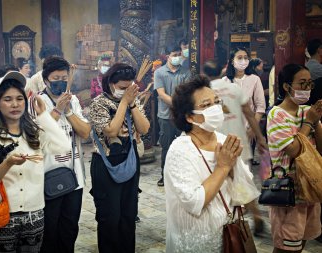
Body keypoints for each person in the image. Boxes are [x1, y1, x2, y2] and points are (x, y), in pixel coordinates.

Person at [0, 71, 72, 252]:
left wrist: (43, 116)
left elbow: (64, 147)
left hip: (34, 214)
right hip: (0, 214)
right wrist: (7, 164)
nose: (15, 104)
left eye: (19, 98)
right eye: (8, 99)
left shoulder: (33, 131)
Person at [165, 75, 255, 252]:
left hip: (227, 235)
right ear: (190, 117)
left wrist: (233, 171)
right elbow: (194, 201)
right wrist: (223, 167)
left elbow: (246, 187)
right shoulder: (180, 150)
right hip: (194, 242)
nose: (215, 109)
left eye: (216, 102)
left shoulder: (223, 140)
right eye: (206, 105)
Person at [31, 56, 90, 253]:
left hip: (74, 177)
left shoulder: (72, 99)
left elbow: (85, 132)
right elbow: (37, 138)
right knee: (50, 231)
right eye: (56, 78)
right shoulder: (37, 101)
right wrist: (57, 110)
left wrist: (69, 112)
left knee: (70, 228)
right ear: (46, 79)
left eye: (64, 77)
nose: (61, 82)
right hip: (48, 175)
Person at [89, 63, 150, 253]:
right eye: (122, 88)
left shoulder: (133, 100)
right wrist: (124, 102)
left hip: (129, 160)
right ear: (110, 84)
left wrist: (131, 103)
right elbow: (111, 131)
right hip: (105, 163)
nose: (126, 91)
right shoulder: (98, 103)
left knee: (128, 214)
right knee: (109, 216)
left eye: (129, 87)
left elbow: (144, 128)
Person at [203, 59, 267, 235]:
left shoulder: (205, 93)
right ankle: (255, 215)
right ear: (222, 70)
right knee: (243, 179)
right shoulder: (235, 89)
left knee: (222, 183)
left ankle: (228, 220)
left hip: (218, 145)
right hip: (240, 142)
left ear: (205, 75)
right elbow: (250, 114)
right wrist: (260, 137)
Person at [267, 64, 322, 253]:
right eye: (302, 84)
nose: (306, 89)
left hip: (310, 190)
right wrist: (309, 123)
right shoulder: (276, 114)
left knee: (302, 242)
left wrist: (317, 122)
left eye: (309, 84)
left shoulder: (308, 111)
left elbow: (319, 151)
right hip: (288, 193)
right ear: (286, 86)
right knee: (286, 247)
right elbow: (293, 150)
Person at [154, 44, 191, 186]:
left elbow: (187, 92)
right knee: (166, 147)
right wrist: (177, 105)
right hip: (165, 116)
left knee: (184, 147)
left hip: (182, 116)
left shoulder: (186, 72)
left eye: (178, 54)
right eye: (173, 55)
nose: (176, 57)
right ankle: (165, 175)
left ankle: (183, 176)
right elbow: (161, 94)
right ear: (167, 56)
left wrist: (180, 107)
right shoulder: (160, 72)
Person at [224, 47, 266, 166]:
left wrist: (253, 128)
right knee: (230, 166)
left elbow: (260, 106)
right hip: (229, 132)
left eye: (246, 58)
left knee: (246, 167)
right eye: (240, 58)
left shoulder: (254, 79)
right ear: (232, 61)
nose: (243, 61)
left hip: (249, 130)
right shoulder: (225, 81)